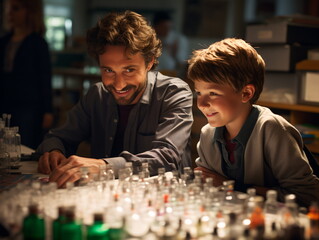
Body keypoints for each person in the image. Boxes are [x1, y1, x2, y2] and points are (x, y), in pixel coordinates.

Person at [36, 10, 193, 188]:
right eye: (108, 70)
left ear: (149, 63)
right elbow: (58, 137)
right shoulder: (97, 94)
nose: (118, 85)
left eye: (129, 70)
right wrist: (54, 151)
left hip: (166, 199)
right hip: (104, 196)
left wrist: (103, 166)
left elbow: (167, 157)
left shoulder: (174, 92)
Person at [187, 38, 319, 207]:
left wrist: (230, 187)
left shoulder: (272, 129)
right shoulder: (208, 133)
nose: (201, 103)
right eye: (199, 92)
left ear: (246, 93)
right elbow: (207, 183)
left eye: (213, 93)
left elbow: (308, 197)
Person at [0, 0, 53, 149]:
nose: (10, 14)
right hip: (5, 101)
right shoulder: (4, 41)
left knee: (25, 145)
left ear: (29, 12)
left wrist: (48, 110)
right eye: (8, 9)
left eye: (15, 9)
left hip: (28, 106)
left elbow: (44, 77)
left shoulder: (38, 43)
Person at [153, 11, 189, 78]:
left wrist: (174, 53)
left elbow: (182, 65)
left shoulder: (179, 40)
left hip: (173, 77)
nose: (166, 30)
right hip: (153, 76)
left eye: (168, 27)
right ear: (155, 27)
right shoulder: (150, 39)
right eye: (163, 27)